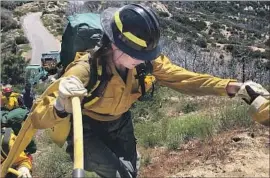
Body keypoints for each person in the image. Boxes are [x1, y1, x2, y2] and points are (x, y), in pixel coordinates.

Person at [18, 4, 268, 178]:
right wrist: (61, 102)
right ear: (114, 45)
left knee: (131, 171)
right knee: (117, 174)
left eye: (144, 55)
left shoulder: (145, 63)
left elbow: (185, 79)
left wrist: (232, 87)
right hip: (88, 129)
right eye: (136, 55)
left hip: (121, 124)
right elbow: (38, 117)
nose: (141, 60)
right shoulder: (85, 71)